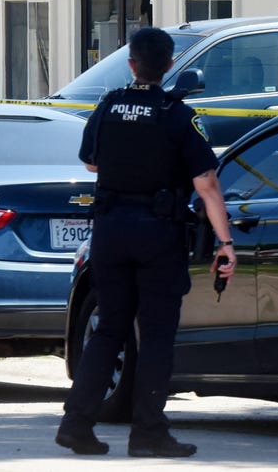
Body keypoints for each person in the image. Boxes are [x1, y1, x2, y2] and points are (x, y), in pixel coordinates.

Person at [56, 27, 236, 458]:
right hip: (158, 233)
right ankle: (149, 432)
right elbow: (207, 185)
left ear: (132, 63)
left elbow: (90, 161)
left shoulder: (109, 105)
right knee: (155, 334)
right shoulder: (177, 114)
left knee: (109, 330)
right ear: (170, 65)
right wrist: (225, 243)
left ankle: (77, 423)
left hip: (111, 230)